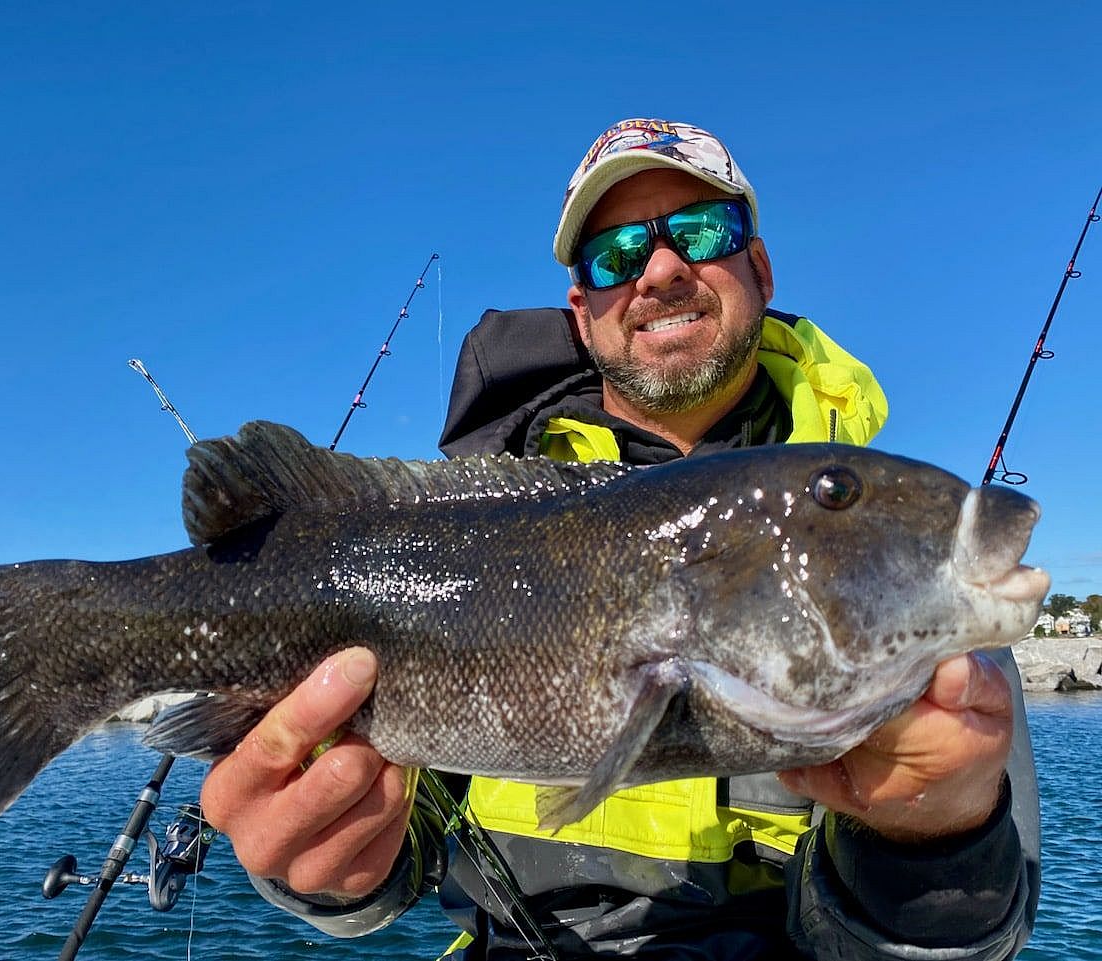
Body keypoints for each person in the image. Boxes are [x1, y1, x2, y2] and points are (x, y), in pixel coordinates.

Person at [200, 118, 1040, 960]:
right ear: (582, 309)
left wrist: (935, 841)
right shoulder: (467, 520)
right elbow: (401, 852)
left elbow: (972, 943)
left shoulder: (904, 570)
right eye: (615, 255)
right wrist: (326, 865)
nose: (663, 269)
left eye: (704, 232)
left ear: (761, 265)